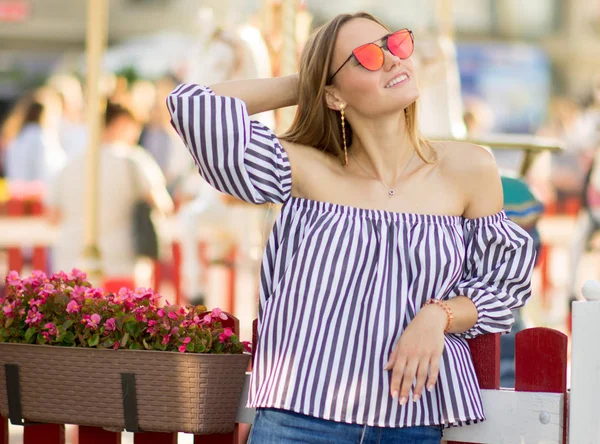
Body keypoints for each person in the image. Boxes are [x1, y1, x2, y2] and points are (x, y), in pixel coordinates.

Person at [167, 12, 535, 443]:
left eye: (395, 45)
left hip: (412, 424)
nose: (393, 60)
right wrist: (308, 84)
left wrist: (439, 315)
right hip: (298, 421)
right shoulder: (303, 167)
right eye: (366, 57)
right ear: (335, 96)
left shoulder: (469, 168)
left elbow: (501, 286)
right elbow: (191, 105)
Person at [47, 102, 173, 282]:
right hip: (122, 262)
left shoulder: (69, 164)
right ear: (122, 123)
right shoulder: (134, 160)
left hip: (72, 261)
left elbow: (52, 216)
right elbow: (162, 204)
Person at [4, 87, 67, 186]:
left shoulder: (17, 139)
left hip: (17, 194)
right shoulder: (42, 139)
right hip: (37, 196)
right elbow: (49, 171)